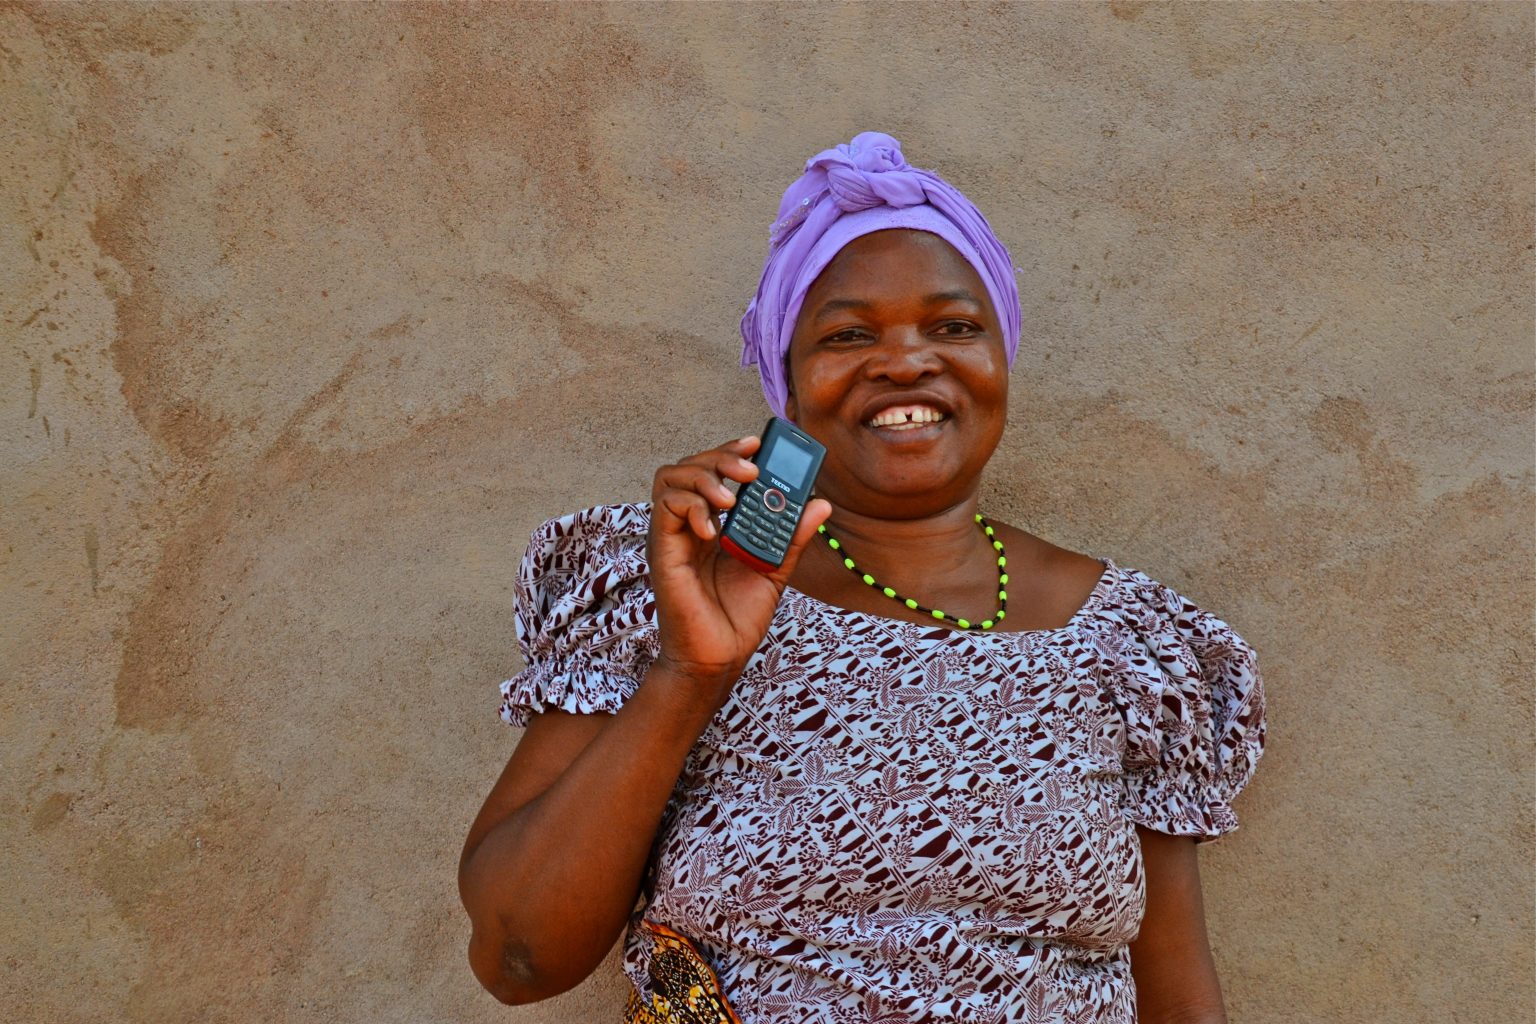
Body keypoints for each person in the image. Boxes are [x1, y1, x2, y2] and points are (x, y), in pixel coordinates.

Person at [458, 132, 1267, 1024]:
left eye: (954, 327)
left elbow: (1176, 997)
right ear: (788, 385)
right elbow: (518, 959)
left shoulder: (1133, 648)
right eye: (847, 335)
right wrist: (690, 673)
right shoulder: (668, 584)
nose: (906, 361)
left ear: (1002, 359)